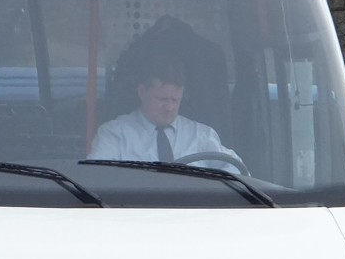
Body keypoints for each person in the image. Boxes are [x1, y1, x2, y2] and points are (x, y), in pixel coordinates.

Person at [88, 53, 244, 174]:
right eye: (162, 99)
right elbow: (97, 180)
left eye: (175, 100)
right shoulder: (114, 135)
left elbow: (238, 173)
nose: (169, 107)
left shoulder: (201, 136)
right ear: (142, 92)